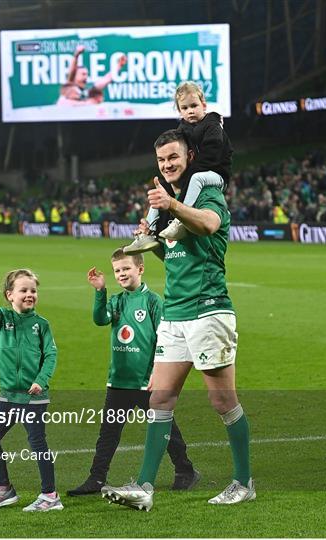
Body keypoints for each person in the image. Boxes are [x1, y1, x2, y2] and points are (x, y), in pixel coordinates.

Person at [102, 130, 254, 511]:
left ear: (189, 157)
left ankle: (243, 481)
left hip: (208, 309)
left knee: (223, 401)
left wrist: (171, 204)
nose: (167, 165)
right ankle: (145, 485)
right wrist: (149, 239)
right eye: (162, 160)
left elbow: (207, 225)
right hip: (175, 313)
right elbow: (175, 255)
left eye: (173, 158)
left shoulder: (205, 194)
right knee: (160, 397)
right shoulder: (167, 204)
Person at [67, 249, 199, 496]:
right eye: (117, 270)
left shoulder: (153, 302)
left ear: (140, 269)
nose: (121, 274)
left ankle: (185, 470)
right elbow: (100, 319)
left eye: (126, 268)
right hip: (118, 380)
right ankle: (96, 479)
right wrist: (99, 291)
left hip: (146, 381)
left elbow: (165, 339)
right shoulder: (116, 301)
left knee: (165, 429)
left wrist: (156, 372)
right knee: (108, 433)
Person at [0, 269, 62, 512]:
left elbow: (51, 355)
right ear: (10, 295)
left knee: (37, 443)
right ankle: (3, 488)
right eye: (23, 290)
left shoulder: (42, 325)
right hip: (8, 396)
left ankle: (50, 495)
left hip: (33, 397)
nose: (29, 294)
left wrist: (41, 379)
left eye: (33, 290)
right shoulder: (2, 319)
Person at [124, 81, 233, 255]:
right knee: (162, 187)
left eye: (194, 106)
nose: (190, 111)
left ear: (203, 104)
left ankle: (179, 221)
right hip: (196, 172)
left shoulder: (212, 125)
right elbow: (170, 258)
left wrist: (187, 175)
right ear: (179, 110)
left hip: (217, 174)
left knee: (196, 178)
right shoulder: (183, 128)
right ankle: (148, 231)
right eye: (185, 108)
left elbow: (211, 157)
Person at [57, 45, 127, 106]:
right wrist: (77, 55)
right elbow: (72, 71)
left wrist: (119, 65)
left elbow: (106, 79)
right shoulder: (69, 86)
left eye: (87, 74)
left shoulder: (89, 89)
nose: (86, 76)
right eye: (83, 74)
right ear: (75, 75)